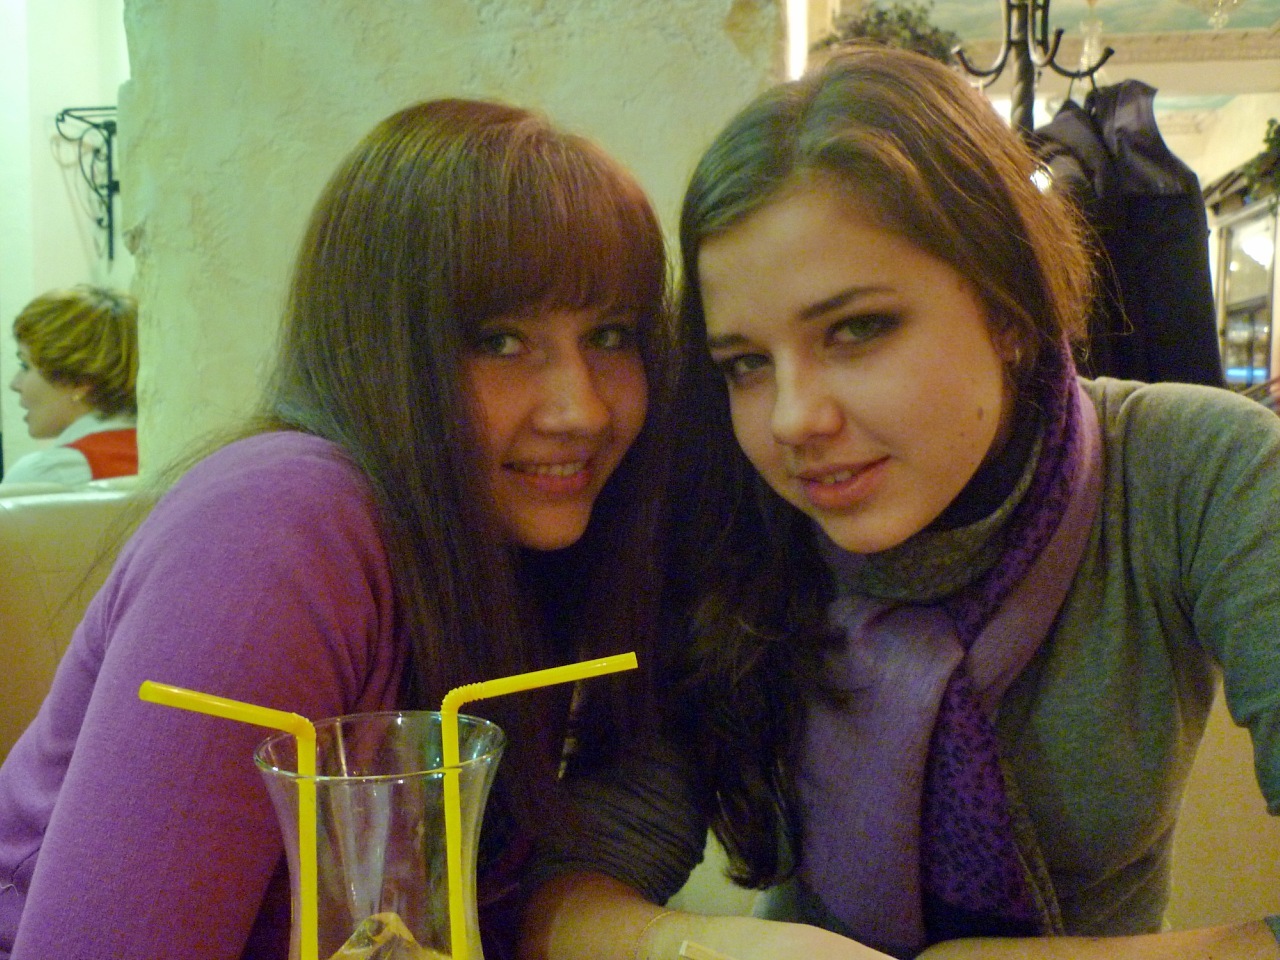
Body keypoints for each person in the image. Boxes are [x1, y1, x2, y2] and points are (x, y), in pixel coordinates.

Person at [519, 45, 1280, 960]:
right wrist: (709, 949)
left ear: (1008, 309)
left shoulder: (1192, 471)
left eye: (857, 329)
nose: (794, 420)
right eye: (746, 364)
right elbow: (569, 890)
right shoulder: (733, 513)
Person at [0, 97, 672, 960]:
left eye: (611, 335)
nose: (582, 410)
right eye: (501, 341)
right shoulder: (278, 531)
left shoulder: (518, 551)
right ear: (379, 349)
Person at [4, 285, 139, 486]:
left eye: (25, 366)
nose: (14, 384)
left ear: (80, 381)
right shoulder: (164, 456)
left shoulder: (48, 473)